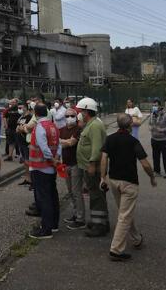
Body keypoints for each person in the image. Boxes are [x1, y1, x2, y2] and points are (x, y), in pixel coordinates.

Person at [101, 113, 157, 261]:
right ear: (130, 125)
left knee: (124, 211)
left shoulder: (110, 139)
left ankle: (137, 238)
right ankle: (116, 250)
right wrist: (152, 176)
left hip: (114, 180)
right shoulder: (133, 142)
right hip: (129, 183)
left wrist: (103, 177)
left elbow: (104, 158)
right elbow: (145, 163)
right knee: (124, 216)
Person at [27, 104, 61, 240]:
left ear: (35, 114)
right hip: (51, 167)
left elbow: (43, 147)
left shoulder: (40, 127)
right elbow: (58, 144)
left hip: (40, 166)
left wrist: (52, 159)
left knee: (44, 198)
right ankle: (53, 224)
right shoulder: (53, 126)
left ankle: (46, 229)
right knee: (52, 195)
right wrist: (57, 158)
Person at [76, 97, 108, 237]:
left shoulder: (94, 126)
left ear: (86, 111)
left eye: (81, 110)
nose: (80, 113)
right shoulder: (91, 124)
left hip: (92, 167)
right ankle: (98, 220)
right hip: (88, 165)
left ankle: (99, 225)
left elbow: (96, 148)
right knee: (95, 194)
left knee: (96, 195)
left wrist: (92, 164)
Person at [60, 108, 85, 230]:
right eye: (67, 116)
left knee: (76, 192)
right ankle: (75, 214)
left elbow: (71, 143)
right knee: (70, 191)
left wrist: (61, 142)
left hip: (76, 164)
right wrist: (65, 142)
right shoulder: (62, 130)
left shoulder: (78, 129)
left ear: (76, 117)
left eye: (72, 116)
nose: (69, 117)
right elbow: (63, 143)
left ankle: (80, 218)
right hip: (65, 164)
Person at [149, 99, 166, 179]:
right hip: (154, 139)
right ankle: (157, 171)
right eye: (153, 105)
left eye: (156, 105)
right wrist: (150, 127)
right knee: (155, 156)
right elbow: (149, 124)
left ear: (160, 106)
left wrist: (162, 130)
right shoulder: (152, 114)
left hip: (164, 140)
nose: (154, 107)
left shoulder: (165, 115)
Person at [16, 102, 33, 186]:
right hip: (20, 141)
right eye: (18, 107)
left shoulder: (29, 117)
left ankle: (32, 179)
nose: (19, 109)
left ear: (26, 108)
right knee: (25, 161)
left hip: (27, 141)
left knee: (28, 161)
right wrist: (20, 128)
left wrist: (21, 129)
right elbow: (17, 128)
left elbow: (28, 129)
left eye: (21, 107)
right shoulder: (20, 117)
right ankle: (27, 178)